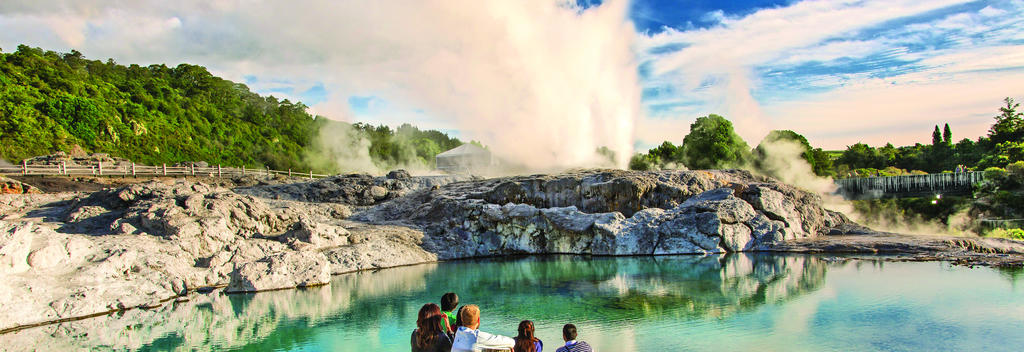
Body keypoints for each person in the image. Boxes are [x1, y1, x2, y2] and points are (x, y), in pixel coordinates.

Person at [451, 304, 515, 352]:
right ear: (478, 320)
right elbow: (511, 342)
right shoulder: (476, 337)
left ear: (462, 319)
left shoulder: (458, 333)